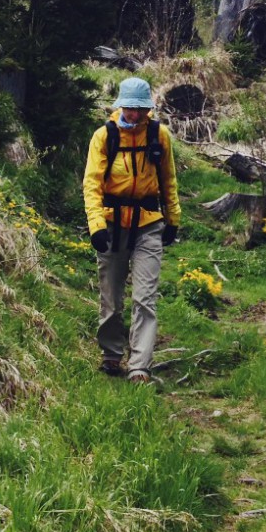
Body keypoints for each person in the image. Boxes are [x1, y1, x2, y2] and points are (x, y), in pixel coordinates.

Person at [82, 76, 181, 383]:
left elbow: (168, 180)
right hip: (112, 224)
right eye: (130, 108)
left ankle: (139, 365)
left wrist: (173, 218)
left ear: (148, 109)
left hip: (148, 224)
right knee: (111, 298)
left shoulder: (159, 135)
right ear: (120, 106)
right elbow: (92, 184)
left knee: (145, 298)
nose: (135, 115)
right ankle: (112, 354)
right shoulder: (104, 136)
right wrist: (97, 226)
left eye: (141, 109)